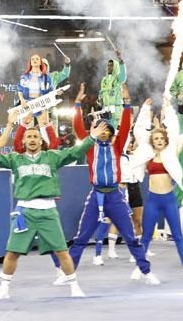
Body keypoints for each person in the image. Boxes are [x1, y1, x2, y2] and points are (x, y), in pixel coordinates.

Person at [0, 118, 108, 300]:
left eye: (35, 136)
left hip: (48, 211)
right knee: (12, 251)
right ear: (23, 140)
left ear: (40, 141)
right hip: (25, 212)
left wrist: (91, 137)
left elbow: (76, 152)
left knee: (62, 250)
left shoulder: (52, 157)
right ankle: (4, 288)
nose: (32, 139)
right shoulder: (16, 159)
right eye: (29, 136)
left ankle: (74, 286)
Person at [65, 84, 155, 283]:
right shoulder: (89, 147)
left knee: (131, 236)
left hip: (115, 195)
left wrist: (126, 103)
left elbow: (124, 124)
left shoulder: (117, 145)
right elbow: (78, 128)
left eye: (107, 130)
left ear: (112, 133)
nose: (103, 132)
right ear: (95, 131)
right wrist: (78, 104)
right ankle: (69, 273)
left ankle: (146, 272)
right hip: (96, 195)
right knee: (81, 238)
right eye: (100, 129)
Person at [130, 98, 183, 280]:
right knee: (145, 237)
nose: (159, 140)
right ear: (152, 140)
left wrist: (168, 109)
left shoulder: (171, 152)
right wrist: (144, 109)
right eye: (156, 138)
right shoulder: (147, 154)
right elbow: (138, 131)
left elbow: (174, 129)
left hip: (169, 200)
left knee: (177, 236)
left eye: (161, 138)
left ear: (166, 140)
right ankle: (140, 267)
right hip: (153, 200)